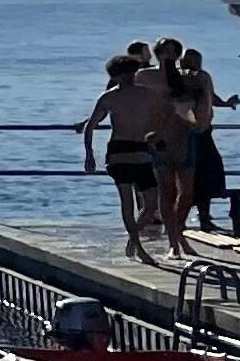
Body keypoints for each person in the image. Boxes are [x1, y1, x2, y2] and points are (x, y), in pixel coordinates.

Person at [80, 51, 172, 262]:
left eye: (131, 72)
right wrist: (89, 155)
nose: (128, 77)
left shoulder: (148, 94)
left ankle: (133, 237)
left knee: (151, 205)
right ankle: (138, 247)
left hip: (142, 148)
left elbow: (163, 117)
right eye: (123, 74)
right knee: (127, 202)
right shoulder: (109, 97)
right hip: (119, 151)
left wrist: (158, 138)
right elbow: (91, 125)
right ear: (115, 76)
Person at [164, 45, 228, 242]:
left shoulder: (203, 77)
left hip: (203, 131)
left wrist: (225, 103)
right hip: (188, 132)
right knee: (191, 177)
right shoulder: (185, 78)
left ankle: (204, 217)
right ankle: (178, 221)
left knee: (209, 172)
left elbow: (209, 97)